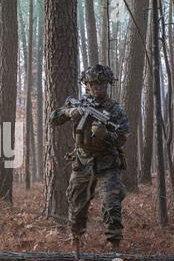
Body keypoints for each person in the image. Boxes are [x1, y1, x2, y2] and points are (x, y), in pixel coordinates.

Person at [50, 64, 129, 251]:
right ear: (87, 85)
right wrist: (70, 112)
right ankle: (76, 242)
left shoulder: (115, 110)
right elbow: (54, 118)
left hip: (107, 163)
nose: (99, 87)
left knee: (111, 206)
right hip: (82, 162)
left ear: (107, 84)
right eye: (94, 84)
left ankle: (115, 246)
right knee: (77, 206)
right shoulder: (79, 104)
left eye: (102, 84)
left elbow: (122, 138)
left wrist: (105, 135)